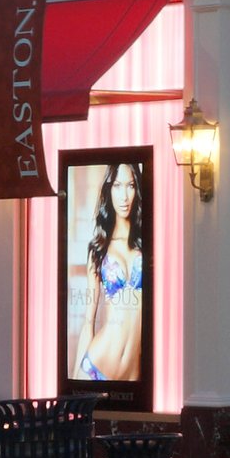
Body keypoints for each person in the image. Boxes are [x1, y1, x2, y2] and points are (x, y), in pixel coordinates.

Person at [75, 160, 146, 386]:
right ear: (109, 189)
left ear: (137, 190)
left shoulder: (145, 245)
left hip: (134, 375)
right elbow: (89, 321)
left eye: (131, 185)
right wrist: (75, 383)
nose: (124, 196)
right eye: (117, 186)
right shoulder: (99, 249)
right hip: (96, 365)